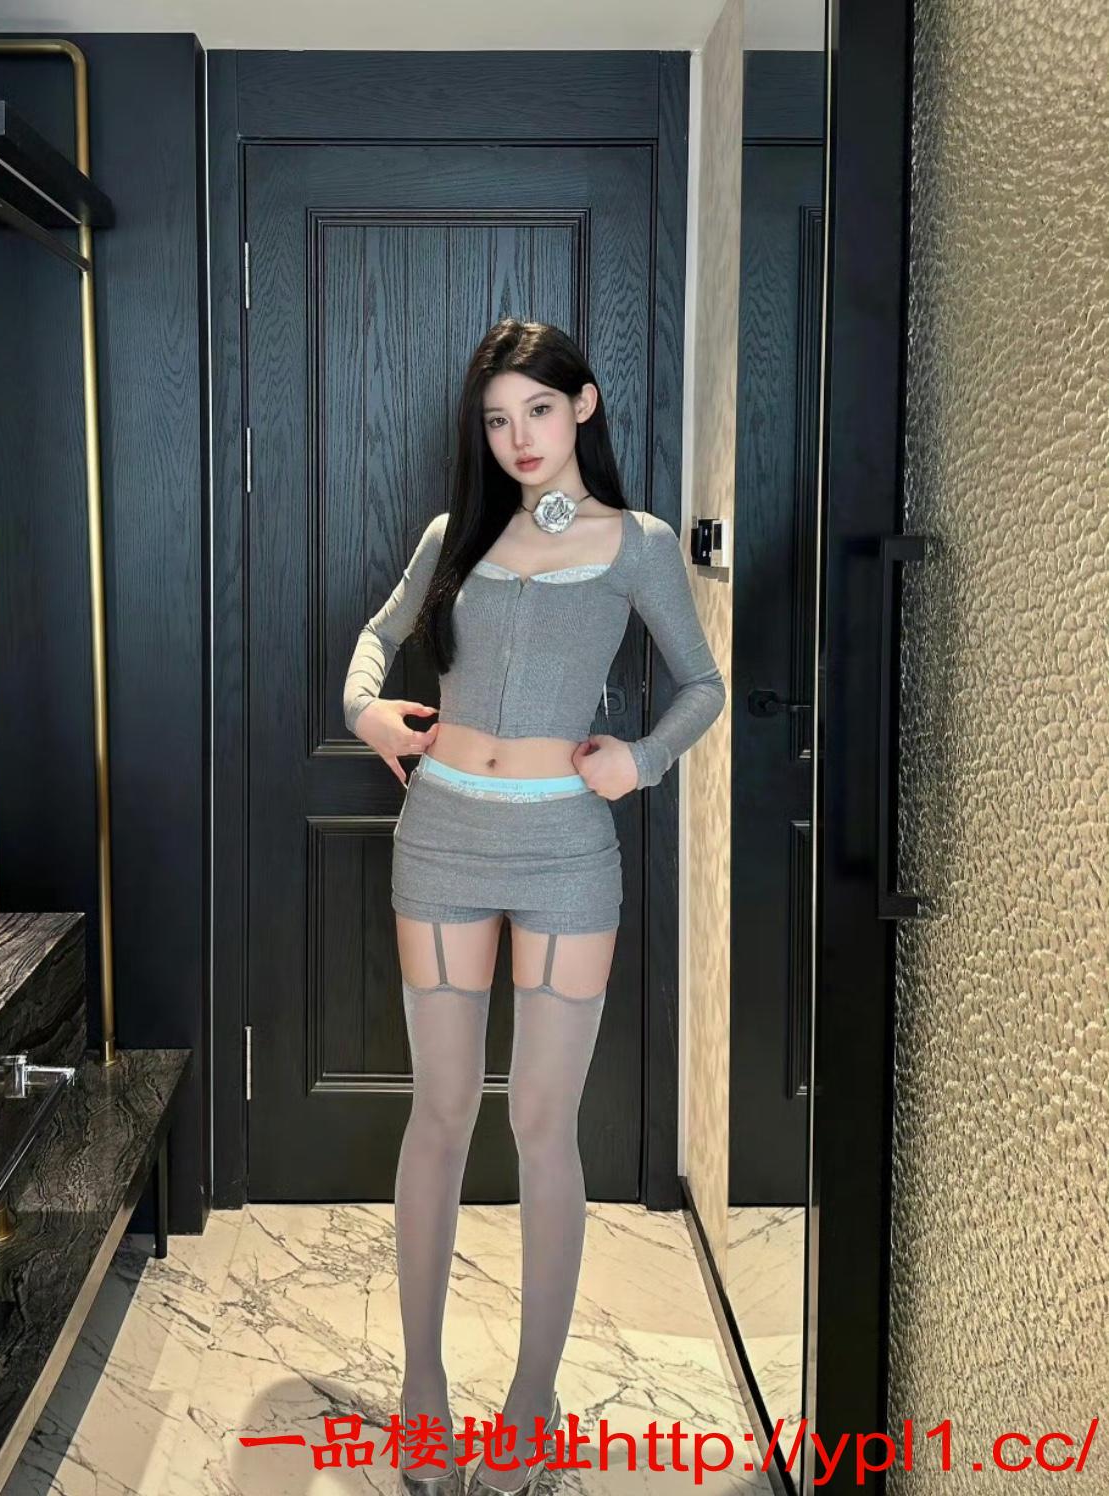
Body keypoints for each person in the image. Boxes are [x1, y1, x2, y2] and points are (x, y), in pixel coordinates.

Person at [342, 318, 726, 1494]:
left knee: (545, 1123)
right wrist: (365, 709)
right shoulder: (454, 534)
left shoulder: (638, 543)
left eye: (539, 411)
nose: (518, 437)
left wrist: (640, 761)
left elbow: (703, 683)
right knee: (442, 1110)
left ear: (584, 406)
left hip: (567, 850)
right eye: (498, 418)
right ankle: (421, 1385)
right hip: (443, 840)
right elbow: (376, 640)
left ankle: (530, 1394)